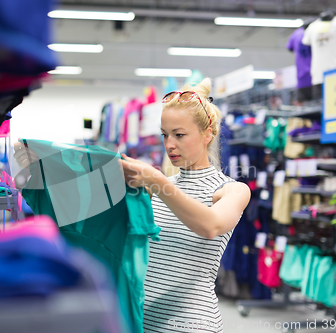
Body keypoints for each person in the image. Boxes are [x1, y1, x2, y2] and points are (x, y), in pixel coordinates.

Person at [14, 78, 250, 333]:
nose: (169, 144)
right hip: (140, 322)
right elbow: (91, 212)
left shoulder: (232, 190)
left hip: (193, 326)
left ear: (208, 134)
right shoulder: (155, 186)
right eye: (165, 134)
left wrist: (155, 179)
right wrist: (47, 167)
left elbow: (210, 226)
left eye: (179, 135)